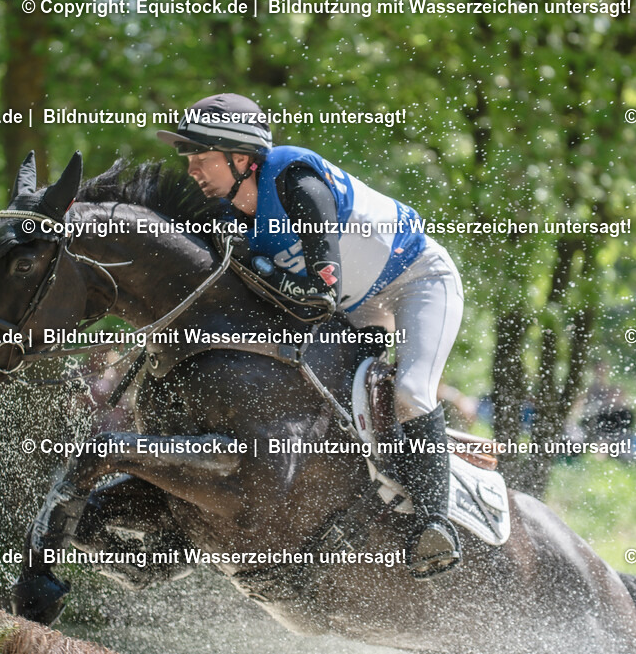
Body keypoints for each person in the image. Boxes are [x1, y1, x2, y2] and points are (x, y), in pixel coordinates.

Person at [158, 93, 465, 577]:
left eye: (202, 156)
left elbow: (322, 295)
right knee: (322, 394)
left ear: (242, 158)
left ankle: (434, 525)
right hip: (357, 308)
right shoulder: (225, 216)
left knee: (409, 392)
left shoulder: (295, 180)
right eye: (189, 158)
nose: (192, 169)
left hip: (416, 280)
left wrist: (257, 265)